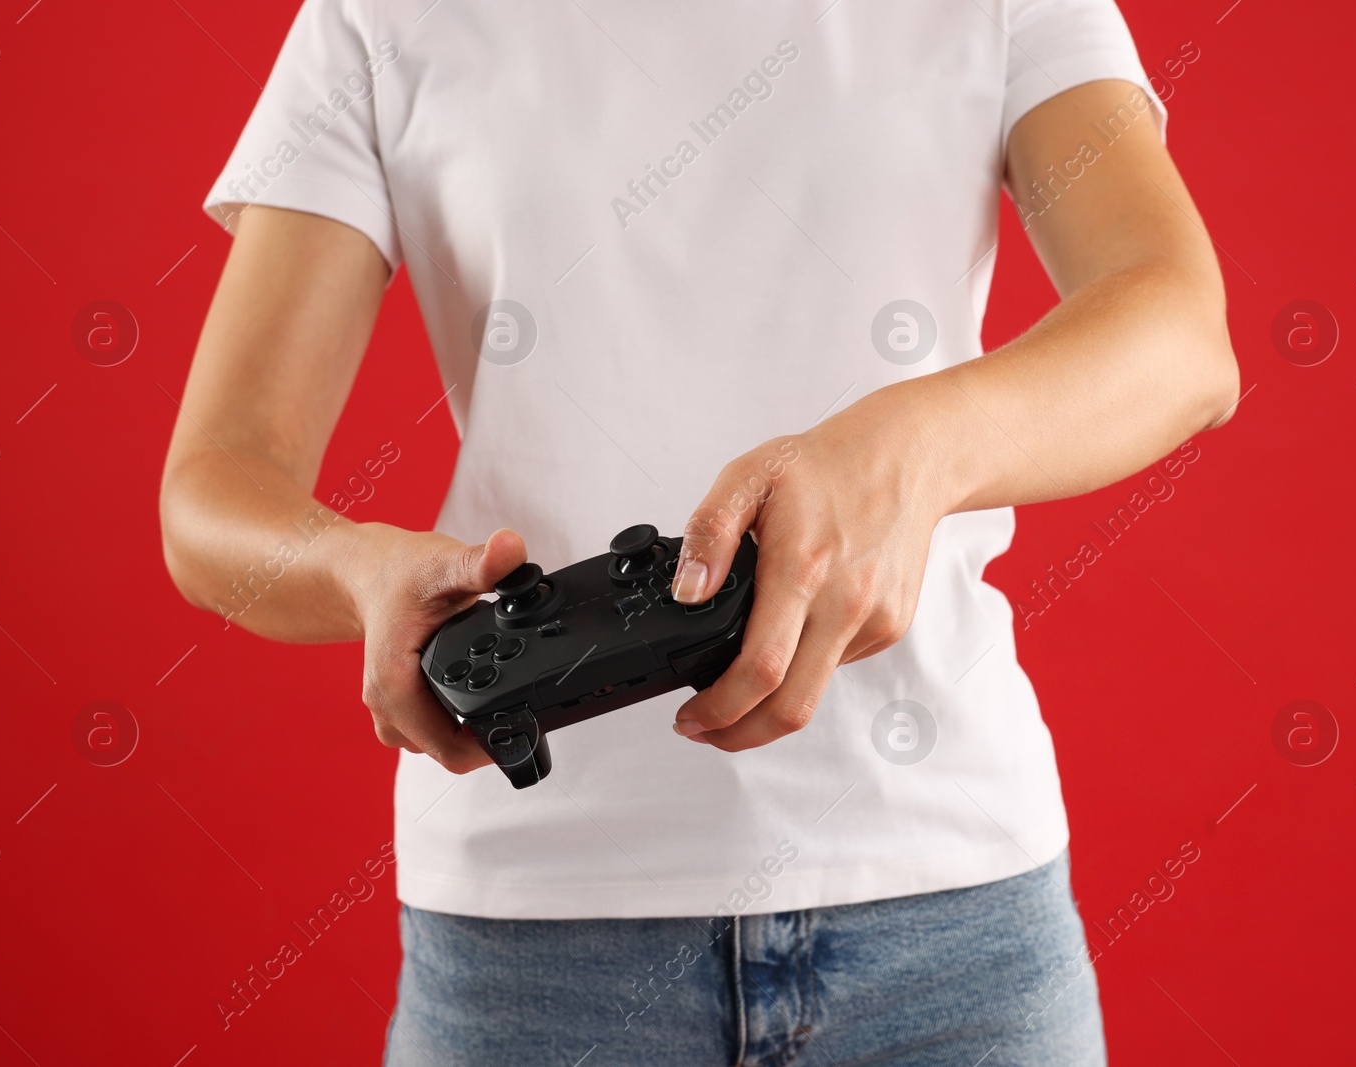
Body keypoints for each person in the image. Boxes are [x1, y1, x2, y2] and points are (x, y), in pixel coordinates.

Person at [159, 0, 1238, 1062]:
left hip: (948, 928)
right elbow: (214, 487)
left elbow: (1180, 332)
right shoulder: (376, 15)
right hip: (530, 953)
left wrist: (908, 447)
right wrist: (357, 571)